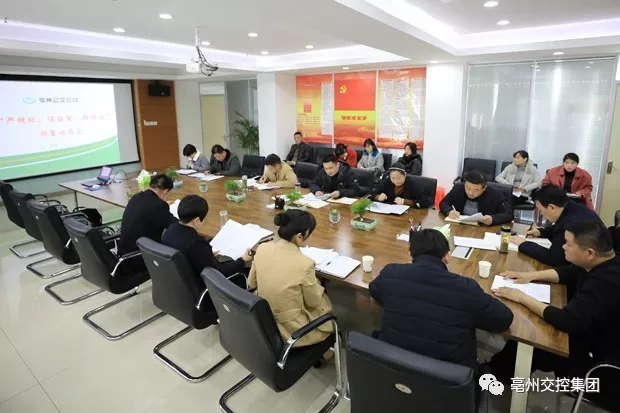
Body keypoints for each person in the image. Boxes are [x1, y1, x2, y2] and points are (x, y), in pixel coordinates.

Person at [490, 220, 620, 386]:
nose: (563, 247)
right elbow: (568, 273)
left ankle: (495, 378)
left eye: (569, 244)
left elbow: (568, 320)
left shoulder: (605, 283)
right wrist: (529, 276)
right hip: (587, 330)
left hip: (598, 358)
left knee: (532, 336)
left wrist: (522, 297)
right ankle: (497, 370)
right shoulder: (603, 261)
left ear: (590, 253)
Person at [369, 228, 513, 374]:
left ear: (410, 255)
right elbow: (504, 318)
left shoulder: (391, 273)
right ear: (447, 256)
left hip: (391, 370)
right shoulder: (466, 288)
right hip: (449, 381)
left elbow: (374, 290)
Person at [248, 210, 333, 347]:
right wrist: (318, 285)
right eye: (310, 233)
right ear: (299, 236)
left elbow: (251, 283)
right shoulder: (305, 264)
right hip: (291, 331)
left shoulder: (263, 248)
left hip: (263, 321)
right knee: (323, 303)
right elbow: (313, 302)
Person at [161, 195, 252, 287]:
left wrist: (205, 254)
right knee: (246, 271)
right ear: (196, 220)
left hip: (179, 282)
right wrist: (242, 260)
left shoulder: (169, 231)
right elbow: (218, 272)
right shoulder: (195, 243)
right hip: (203, 285)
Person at [510, 185, 603, 267]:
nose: (541, 214)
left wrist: (524, 244)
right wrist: (541, 232)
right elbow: (558, 230)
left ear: (551, 207)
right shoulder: (571, 207)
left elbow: (553, 258)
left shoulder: (570, 223)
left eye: (540, 210)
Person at [117, 174, 177, 269]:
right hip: (139, 258)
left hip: (124, 253)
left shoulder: (136, 197)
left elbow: (149, 208)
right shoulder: (158, 206)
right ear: (165, 192)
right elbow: (175, 225)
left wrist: (163, 205)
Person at [439, 171, 513, 226]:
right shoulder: (458, 188)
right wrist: (449, 211)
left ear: (484, 188)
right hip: (461, 226)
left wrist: (492, 219)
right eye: (467, 188)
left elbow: (509, 214)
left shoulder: (495, 195)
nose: (470, 193)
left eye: (476, 190)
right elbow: (444, 203)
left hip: (483, 228)